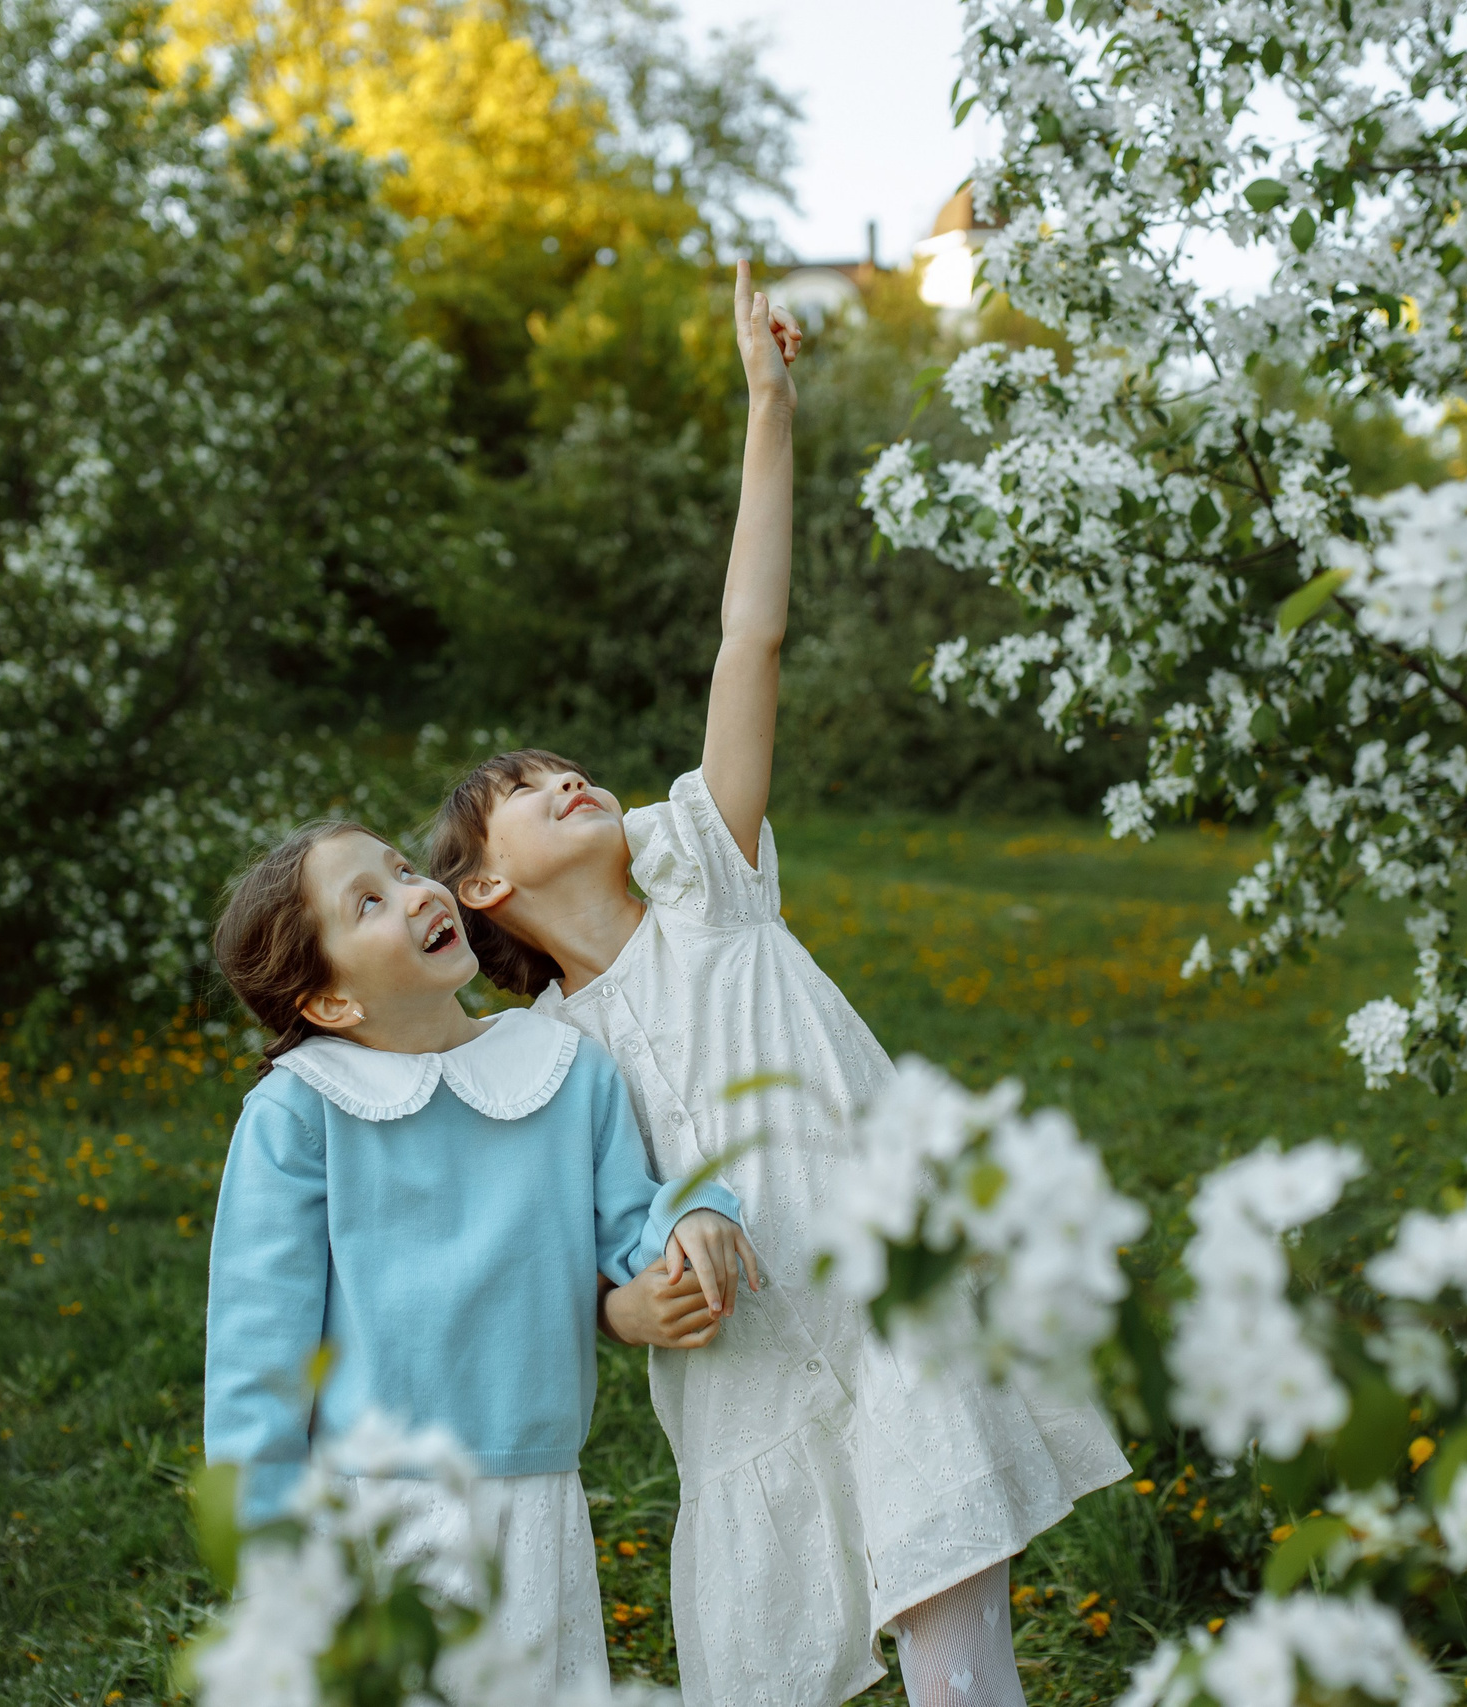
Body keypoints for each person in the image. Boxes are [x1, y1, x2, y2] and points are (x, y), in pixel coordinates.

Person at [428, 262, 1127, 1707]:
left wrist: (769, 405)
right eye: (524, 789)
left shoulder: (711, 878)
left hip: (893, 1310)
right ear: (485, 887)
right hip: (742, 1393)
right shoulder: (545, 1059)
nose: (565, 776)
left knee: (957, 1663)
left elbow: (750, 637)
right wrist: (632, 1313)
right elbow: (566, 1268)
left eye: (567, 764)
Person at [201, 819, 759, 1691]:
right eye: (371, 902)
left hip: (535, 1486)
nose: (420, 890)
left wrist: (693, 1214)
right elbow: (256, 1351)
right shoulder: (300, 1114)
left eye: (403, 866)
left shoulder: (562, 1066)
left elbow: (632, 1220)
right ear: (332, 1003)